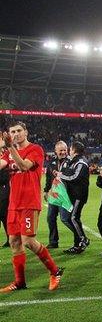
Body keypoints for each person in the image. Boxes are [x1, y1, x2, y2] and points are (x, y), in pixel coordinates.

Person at [0, 121, 64, 292]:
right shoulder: (7, 153)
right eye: (12, 132)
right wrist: (3, 149)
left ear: (26, 132)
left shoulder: (35, 149)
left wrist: (9, 147)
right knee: (14, 241)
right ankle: (20, 282)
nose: (16, 134)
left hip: (29, 202)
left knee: (27, 241)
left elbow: (23, 166)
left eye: (19, 131)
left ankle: (55, 271)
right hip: (14, 203)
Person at [57, 141, 90, 254]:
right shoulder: (75, 161)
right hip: (74, 195)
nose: (68, 151)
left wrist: (61, 175)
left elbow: (75, 177)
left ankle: (83, 239)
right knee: (72, 218)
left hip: (78, 195)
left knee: (73, 218)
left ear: (74, 150)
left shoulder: (81, 162)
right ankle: (78, 245)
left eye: (70, 149)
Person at [43, 140, 72, 249]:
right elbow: (48, 178)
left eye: (65, 150)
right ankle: (53, 242)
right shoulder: (52, 162)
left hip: (65, 195)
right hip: (53, 194)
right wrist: (46, 190)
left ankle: (79, 237)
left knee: (65, 219)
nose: (63, 152)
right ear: (55, 151)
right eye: (60, 150)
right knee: (50, 218)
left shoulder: (71, 161)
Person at [0, 163, 9, 247]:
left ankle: (9, 239)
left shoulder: (5, 167)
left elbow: (5, 179)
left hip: (3, 196)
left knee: (5, 219)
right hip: (3, 194)